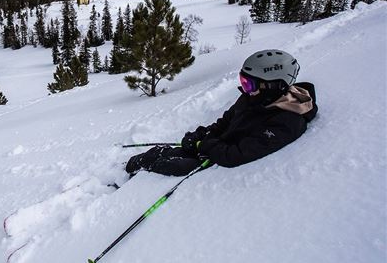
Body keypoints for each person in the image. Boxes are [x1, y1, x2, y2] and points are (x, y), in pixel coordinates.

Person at [125, 49, 318, 177]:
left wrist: (205, 145)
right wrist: (199, 136)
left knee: (170, 166)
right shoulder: (254, 98)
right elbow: (224, 122)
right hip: (212, 148)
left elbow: (237, 155)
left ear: (272, 85)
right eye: (243, 82)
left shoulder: (287, 122)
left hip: (218, 160)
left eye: (249, 84)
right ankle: (128, 171)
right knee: (160, 153)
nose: (245, 89)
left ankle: (138, 185)